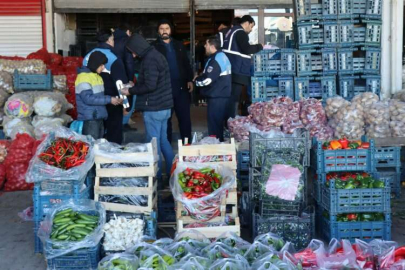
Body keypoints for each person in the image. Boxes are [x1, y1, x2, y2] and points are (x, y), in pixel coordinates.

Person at [121, 33, 174, 181]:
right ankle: (172, 173)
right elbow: (152, 82)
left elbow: (150, 85)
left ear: (137, 48)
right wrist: (135, 85)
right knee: (163, 141)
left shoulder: (150, 60)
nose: (132, 54)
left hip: (154, 108)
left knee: (153, 144)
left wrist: (130, 90)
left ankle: (155, 178)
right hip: (164, 107)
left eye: (132, 51)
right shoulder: (155, 55)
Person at [83, 29, 129, 144]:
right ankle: (112, 159)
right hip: (112, 101)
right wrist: (125, 105)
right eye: (113, 39)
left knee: (96, 136)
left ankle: (98, 160)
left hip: (92, 103)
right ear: (109, 40)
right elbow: (120, 84)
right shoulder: (113, 58)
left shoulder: (87, 56)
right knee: (113, 133)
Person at [151, 19, 193, 144]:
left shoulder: (179, 45)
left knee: (184, 117)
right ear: (158, 31)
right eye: (161, 29)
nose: (164, 31)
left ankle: (187, 143)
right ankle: (166, 144)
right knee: (166, 118)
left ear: (171, 30)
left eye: (167, 28)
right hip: (163, 88)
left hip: (181, 87)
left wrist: (190, 79)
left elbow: (186, 63)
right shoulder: (153, 47)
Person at [223, 15, 263, 119]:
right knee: (234, 98)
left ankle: (228, 120)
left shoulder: (231, 31)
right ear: (246, 23)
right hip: (237, 69)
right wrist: (260, 46)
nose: (251, 29)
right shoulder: (240, 33)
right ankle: (230, 122)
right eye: (251, 26)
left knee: (230, 97)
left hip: (231, 68)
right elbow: (247, 49)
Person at [76, 51, 122, 139]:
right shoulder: (83, 77)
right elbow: (88, 99)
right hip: (90, 119)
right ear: (95, 64)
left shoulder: (97, 77)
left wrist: (113, 99)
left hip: (99, 116)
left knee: (98, 145)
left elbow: (100, 97)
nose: (103, 67)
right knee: (92, 146)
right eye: (101, 65)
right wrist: (109, 99)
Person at [194, 37, 231, 142]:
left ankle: (217, 150)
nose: (204, 46)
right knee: (218, 124)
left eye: (206, 44)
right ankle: (220, 146)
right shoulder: (221, 56)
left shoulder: (216, 60)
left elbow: (208, 80)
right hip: (221, 95)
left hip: (217, 96)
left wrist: (196, 82)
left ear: (212, 46)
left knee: (215, 126)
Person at [113, 23, 137, 129]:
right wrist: (131, 79)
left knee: (116, 99)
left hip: (112, 75)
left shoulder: (111, 40)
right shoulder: (127, 41)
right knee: (129, 98)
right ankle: (124, 123)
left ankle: (117, 124)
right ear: (127, 31)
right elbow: (129, 62)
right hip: (124, 75)